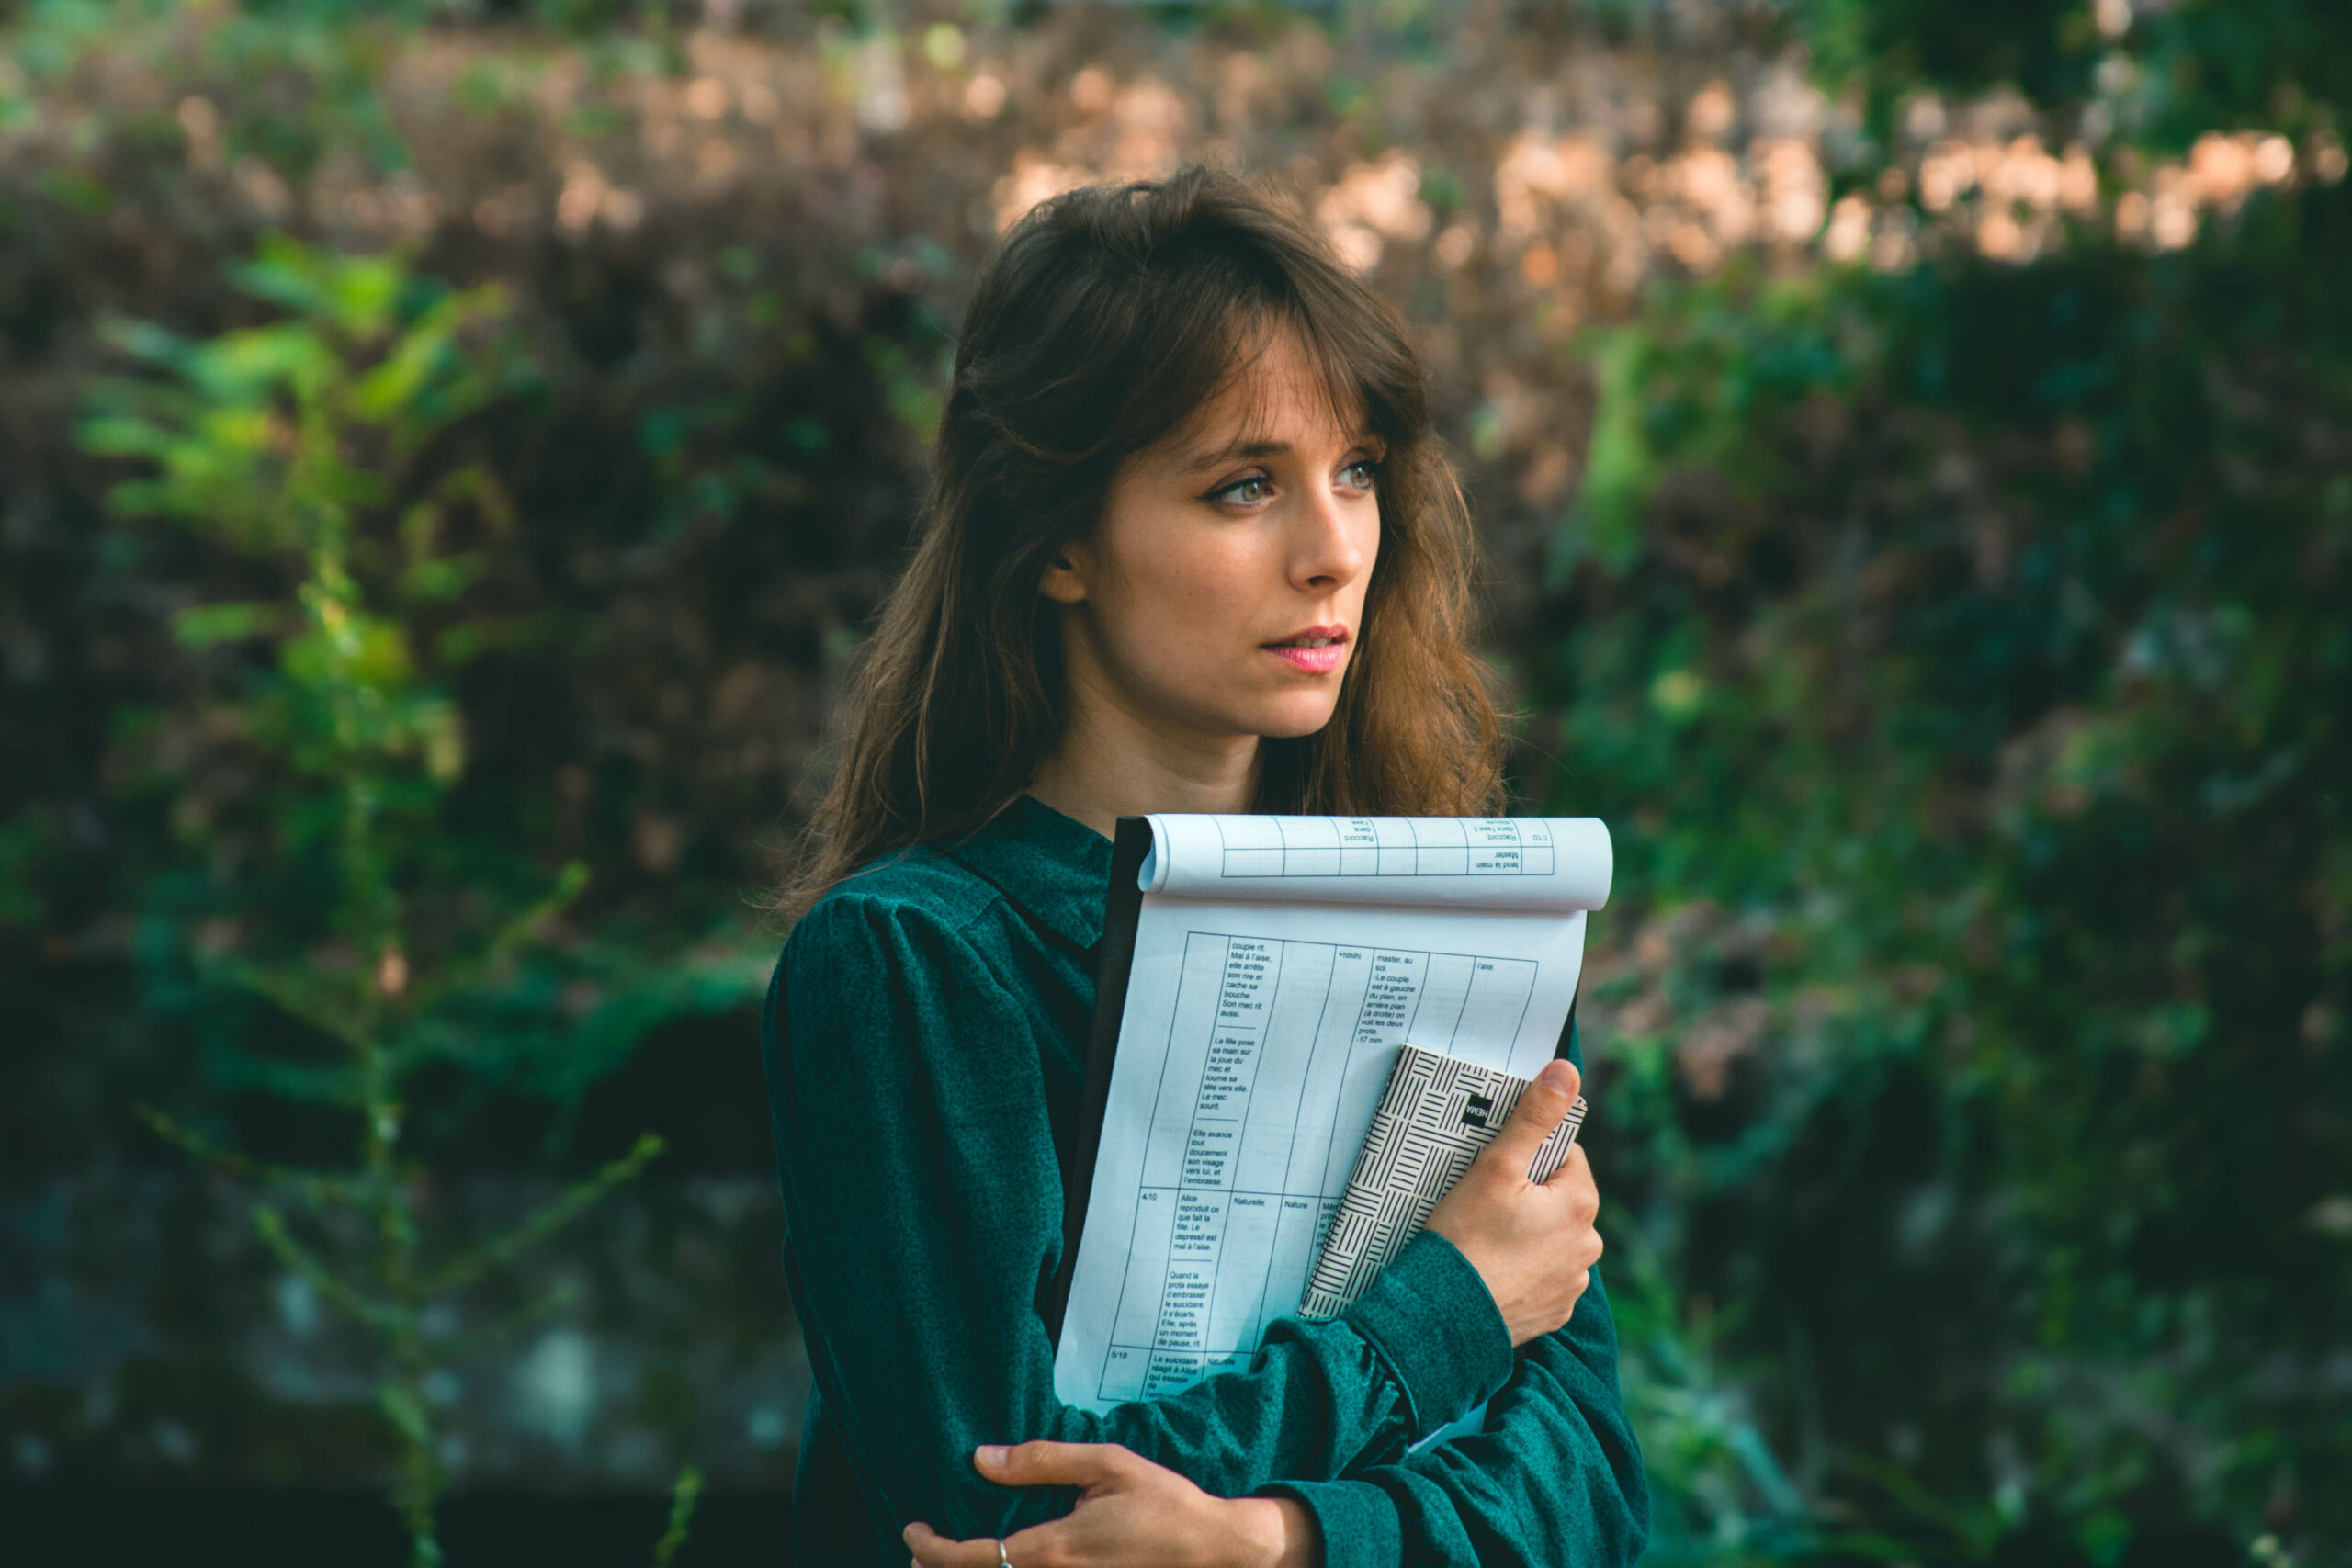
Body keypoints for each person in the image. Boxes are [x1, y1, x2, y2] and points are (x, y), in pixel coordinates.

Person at [759, 163, 1648, 1568]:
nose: (1335, 549)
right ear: (1056, 543)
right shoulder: (918, 963)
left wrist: (1275, 1542)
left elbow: (1588, 1488)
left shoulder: (1469, 933)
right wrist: (1443, 1313)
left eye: (1356, 471)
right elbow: (993, 1501)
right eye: (1245, 486)